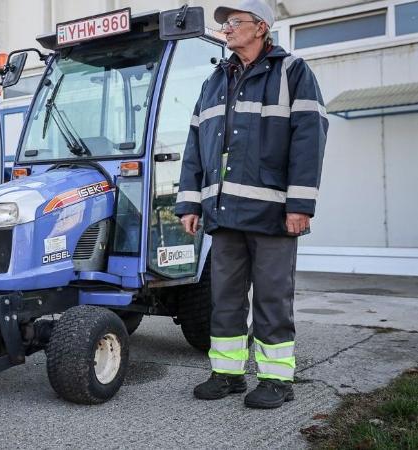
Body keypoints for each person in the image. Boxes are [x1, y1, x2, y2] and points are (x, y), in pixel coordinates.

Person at [175, 0, 328, 409]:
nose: (226, 29)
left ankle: (277, 380)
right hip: (224, 213)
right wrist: (190, 203)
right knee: (224, 298)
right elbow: (195, 145)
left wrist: (300, 204)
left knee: (272, 298)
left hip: (273, 213)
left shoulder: (293, 71)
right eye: (224, 23)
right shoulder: (214, 81)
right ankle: (227, 374)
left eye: (234, 22)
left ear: (261, 27)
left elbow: (309, 140)